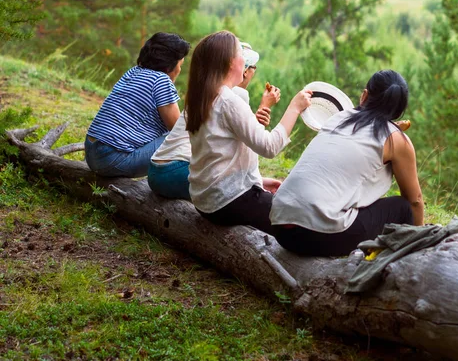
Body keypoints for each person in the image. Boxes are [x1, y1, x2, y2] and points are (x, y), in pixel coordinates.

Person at [270, 69, 424, 257]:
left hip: (279, 225)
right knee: (403, 207)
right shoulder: (397, 141)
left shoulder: (339, 117)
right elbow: (415, 201)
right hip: (316, 236)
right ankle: (408, 258)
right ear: (399, 110)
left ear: (365, 96)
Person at [185, 30, 312, 234]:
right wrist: (294, 108)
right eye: (241, 54)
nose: (245, 60)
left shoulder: (202, 97)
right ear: (230, 63)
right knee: (301, 215)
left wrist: (257, 182)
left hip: (206, 199)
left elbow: (219, 156)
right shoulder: (229, 101)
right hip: (228, 203)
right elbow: (269, 147)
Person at [147, 42, 280, 200]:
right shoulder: (235, 95)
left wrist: (259, 181)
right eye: (253, 67)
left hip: (157, 171)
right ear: (244, 70)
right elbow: (253, 145)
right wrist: (265, 106)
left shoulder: (205, 92)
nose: (253, 72)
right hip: (179, 171)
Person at [85, 32, 190, 178]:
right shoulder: (161, 81)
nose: (179, 70)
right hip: (111, 158)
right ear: (171, 65)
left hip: (92, 152)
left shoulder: (133, 72)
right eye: (180, 65)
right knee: (184, 139)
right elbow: (178, 130)